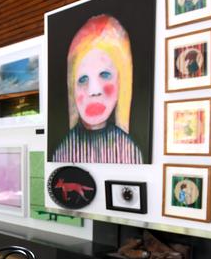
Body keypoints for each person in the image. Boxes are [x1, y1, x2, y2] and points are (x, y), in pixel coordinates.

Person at [51, 14, 144, 164]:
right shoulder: (61, 153)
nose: (94, 90)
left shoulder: (130, 150)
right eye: (82, 79)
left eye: (105, 75)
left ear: (122, 82)